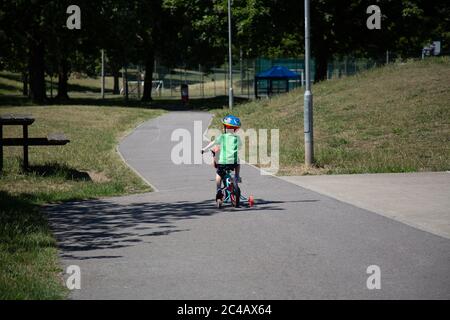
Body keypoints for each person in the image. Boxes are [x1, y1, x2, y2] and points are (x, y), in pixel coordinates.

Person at [201, 115, 242, 201]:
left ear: (226, 127)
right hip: (233, 163)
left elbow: (213, 143)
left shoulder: (222, 137)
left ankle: (219, 190)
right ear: (235, 129)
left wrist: (204, 149)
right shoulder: (237, 138)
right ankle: (237, 176)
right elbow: (240, 146)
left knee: (219, 174)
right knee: (238, 162)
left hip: (223, 163)